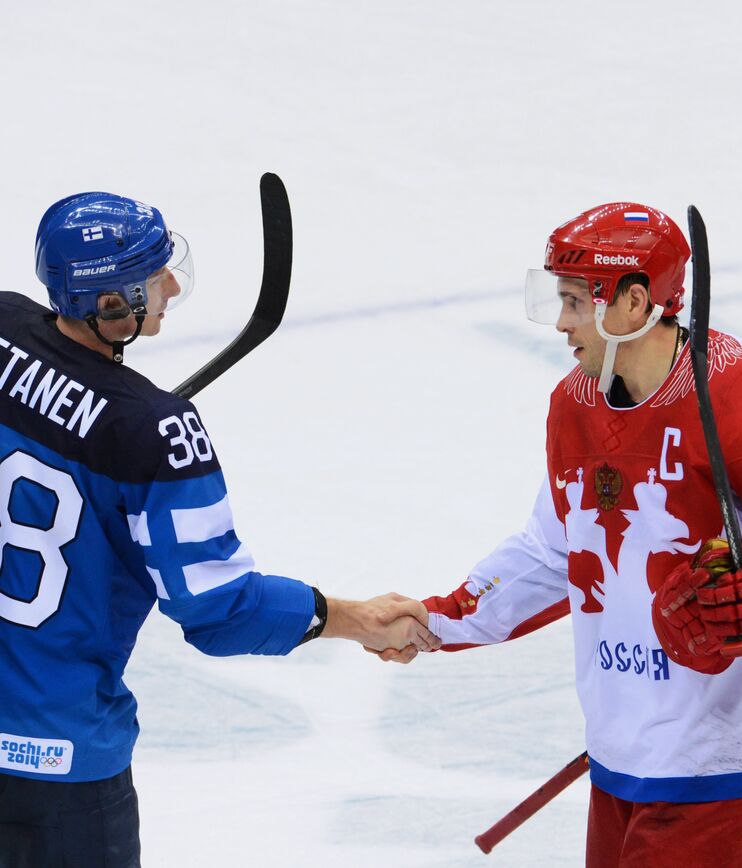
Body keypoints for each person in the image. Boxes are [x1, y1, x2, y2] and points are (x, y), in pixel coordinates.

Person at [376, 201, 742, 867]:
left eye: (575, 301)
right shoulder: (575, 404)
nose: (562, 324)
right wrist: (436, 620)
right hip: (629, 743)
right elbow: (555, 551)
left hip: (737, 748)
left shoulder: (740, 396)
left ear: (634, 303)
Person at [0, 192, 440, 867]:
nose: (172, 285)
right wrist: (350, 618)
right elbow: (221, 612)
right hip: (61, 772)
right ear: (110, 304)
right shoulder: (154, 431)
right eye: (152, 276)